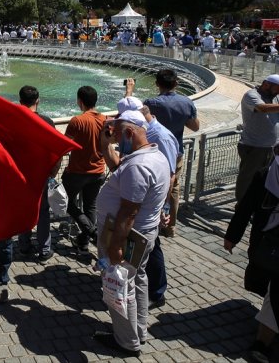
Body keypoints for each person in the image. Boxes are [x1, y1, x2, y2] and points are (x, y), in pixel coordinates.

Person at [93, 110, 171, 357]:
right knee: (137, 280)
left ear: (129, 133)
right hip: (142, 235)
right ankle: (138, 330)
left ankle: (126, 341)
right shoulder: (153, 155)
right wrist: (106, 146)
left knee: (118, 284)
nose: (114, 139)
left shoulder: (139, 166)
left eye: (117, 135)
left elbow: (128, 211)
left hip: (126, 235)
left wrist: (116, 245)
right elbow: (119, 170)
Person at [113, 91, 180, 310]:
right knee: (146, 256)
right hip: (143, 206)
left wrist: (163, 206)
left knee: (152, 251)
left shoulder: (159, 136)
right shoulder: (139, 135)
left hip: (148, 210)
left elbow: (169, 176)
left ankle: (157, 291)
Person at [224, 146, 279, 363]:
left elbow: (246, 207)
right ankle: (263, 343)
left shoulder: (267, 173)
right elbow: (246, 206)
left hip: (267, 243)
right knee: (273, 294)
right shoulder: (266, 173)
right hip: (270, 246)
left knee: (273, 295)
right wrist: (232, 236)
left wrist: (232, 236)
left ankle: (262, 344)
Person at [141, 69, 200, 237]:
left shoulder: (150, 103)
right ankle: (170, 226)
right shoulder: (186, 102)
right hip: (176, 154)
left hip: (153, 154)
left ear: (157, 84)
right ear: (176, 83)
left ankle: (151, 222)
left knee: (151, 188)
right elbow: (195, 126)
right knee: (173, 189)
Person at [16, 85, 60, 262]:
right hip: (42, 174)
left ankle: (24, 246)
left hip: (21, 175)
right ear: (38, 101)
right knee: (43, 213)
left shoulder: (15, 120)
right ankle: (44, 250)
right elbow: (56, 149)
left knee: (24, 210)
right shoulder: (47, 122)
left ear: (20, 102)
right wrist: (54, 171)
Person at [62, 86, 107, 252]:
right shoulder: (105, 119)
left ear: (79, 101)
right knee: (90, 207)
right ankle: (83, 241)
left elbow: (65, 145)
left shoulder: (77, 121)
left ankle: (91, 232)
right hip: (98, 171)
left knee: (66, 202)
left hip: (76, 171)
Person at [235, 75, 279, 202]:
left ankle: (256, 206)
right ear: (266, 84)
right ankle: (241, 207)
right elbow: (262, 108)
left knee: (266, 179)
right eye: (277, 88)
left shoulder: (275, 97)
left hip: (272, 147)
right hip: (255, 146)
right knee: (247, 179)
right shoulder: (251, 95)